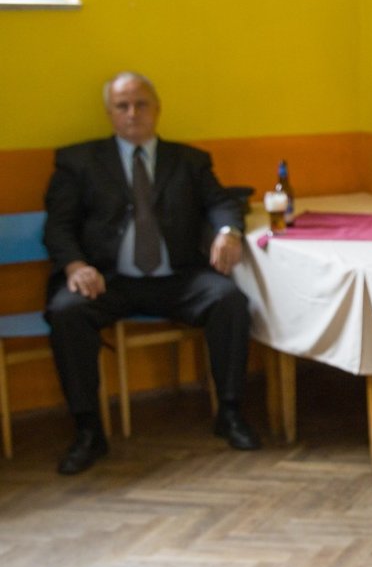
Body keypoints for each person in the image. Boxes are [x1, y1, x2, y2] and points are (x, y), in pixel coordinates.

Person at [43, 72, 260, 475]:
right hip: (108, 279)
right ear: (109, 114)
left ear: (157, 109)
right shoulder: (78, 162)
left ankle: (230, 412)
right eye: (122, 106)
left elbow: (222, 203)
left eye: (141, 104)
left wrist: (229, 232)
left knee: (230, 301)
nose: (132, 114)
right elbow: (58, 226)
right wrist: (76, 265)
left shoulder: (190, 161)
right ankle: (88, 430)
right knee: (66, 312)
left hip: (178, 277)